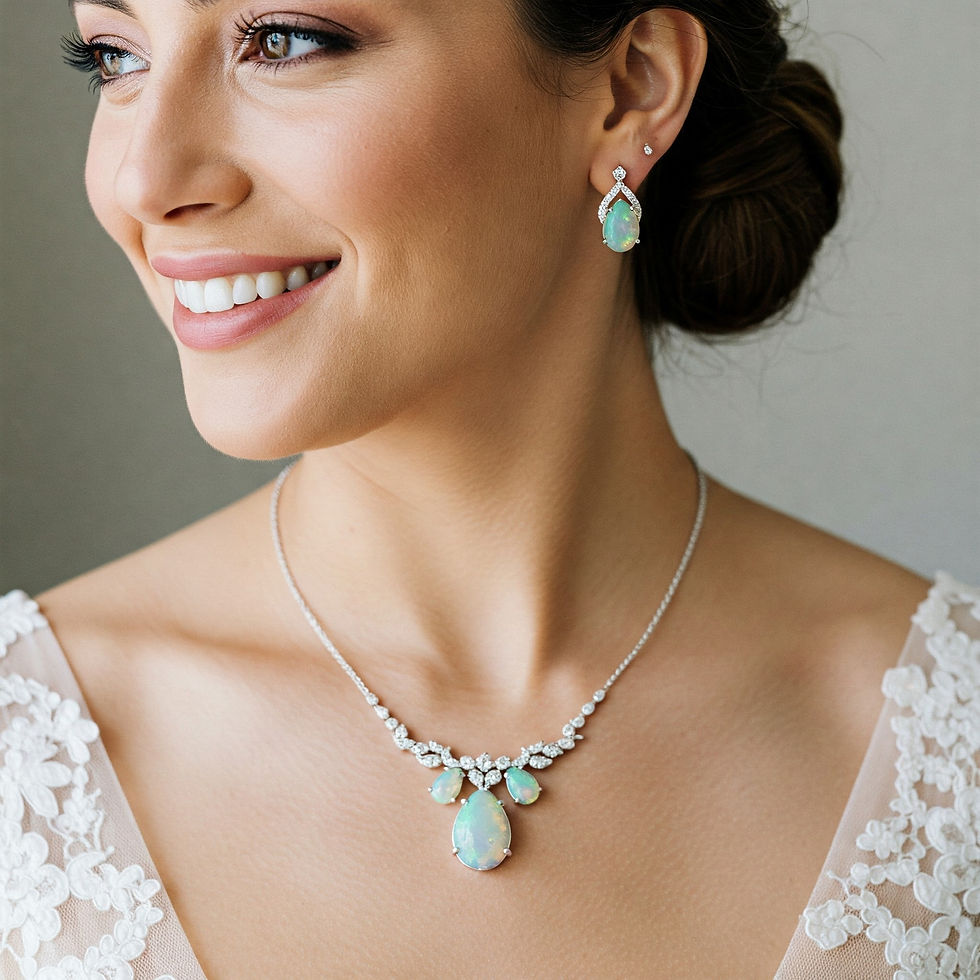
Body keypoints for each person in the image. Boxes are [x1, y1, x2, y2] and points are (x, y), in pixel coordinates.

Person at [1, 1, 976, 978]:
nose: (146, 178)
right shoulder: (24, 764)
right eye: (113, 57)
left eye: (285, 40)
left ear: (631, 87)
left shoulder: (952, 760)